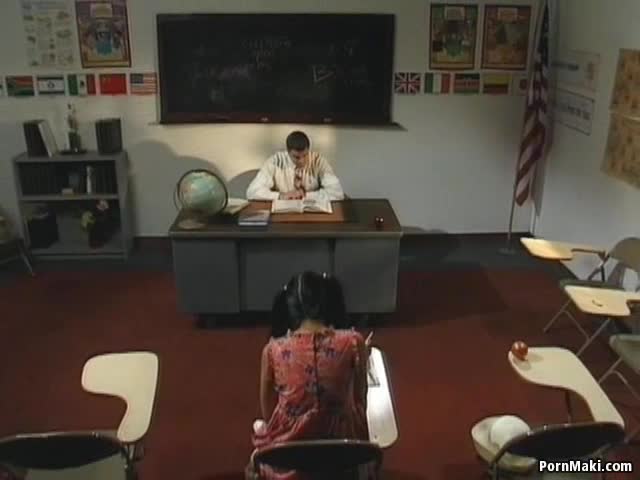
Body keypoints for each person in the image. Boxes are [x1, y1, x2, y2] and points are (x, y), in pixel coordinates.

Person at [249, 271, 369, 479]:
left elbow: (269, 415)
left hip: (288, 461)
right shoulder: (353, 342)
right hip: (343, 461)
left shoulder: (272, 350)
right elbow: (361, 405)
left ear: (289, 306)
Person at [246, 131, 345, 201]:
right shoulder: (275, 161)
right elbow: (252, 192)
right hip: (284, 213)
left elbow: (337, 193)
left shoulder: (318, 161)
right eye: (296, 157)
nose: (302, 161)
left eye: (305, 155)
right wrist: (281, 196)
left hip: (311, 212)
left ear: (308, 150)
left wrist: (305, 196)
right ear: (288, 152)